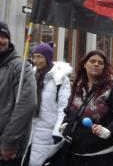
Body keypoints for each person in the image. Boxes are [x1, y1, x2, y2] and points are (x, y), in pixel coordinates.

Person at [62, 50, 113, 166]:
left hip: (103, 152)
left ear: (104, 67)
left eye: (100, 63)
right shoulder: (78, 86)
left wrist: (108, 130)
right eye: (92, 61)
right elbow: (69, 110)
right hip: (76, 151)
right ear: (84, 64)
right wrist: (65, 124)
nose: (96, 64)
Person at [29, 42, 72, 166]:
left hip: (48, 132)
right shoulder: (30, 75)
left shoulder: (60, 79)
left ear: (47, 58)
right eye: (34, 56)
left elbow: (63, 109)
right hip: (30, 129)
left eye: (39, 57)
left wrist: (58, 132)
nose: (36, 60)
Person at [0, 22, 36, 166]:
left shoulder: (20, 68)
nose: (1, 40)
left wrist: (9, 141)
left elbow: (27, 105)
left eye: (4, 36)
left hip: (6, 149)